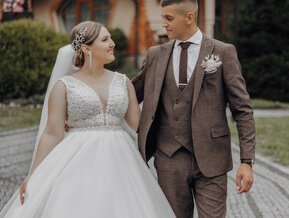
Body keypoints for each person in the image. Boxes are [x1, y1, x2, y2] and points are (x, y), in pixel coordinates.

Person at [0, 21, 175, 218]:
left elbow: (141, 125)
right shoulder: (64, 86)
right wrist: (33, 174)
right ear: (86, 48)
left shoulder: (123, 81)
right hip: (77, 160)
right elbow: (52, 133)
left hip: (122, 162)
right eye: (105, 39)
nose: (113, 44)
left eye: (110, 38)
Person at [132, 0, 256, 218]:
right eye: (163, 18)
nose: (163, 24)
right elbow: (129, 95)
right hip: (168, 158)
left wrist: (246, 161)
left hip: (212, 158)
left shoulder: (222, 52)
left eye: (169, 18)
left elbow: (243, 110)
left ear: (189, 17)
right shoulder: (155, 55)